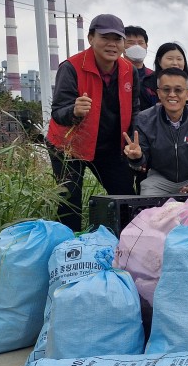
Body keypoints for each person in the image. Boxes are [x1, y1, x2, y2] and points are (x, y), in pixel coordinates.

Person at [47, 13, 141, 231]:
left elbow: (135, 110)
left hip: (109, 146)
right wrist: (74, 111)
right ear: (91, 38)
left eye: (117, 39)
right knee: (69, 204)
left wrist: (134, 140)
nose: (112, 44)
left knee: (126, 198)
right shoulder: (71, 67)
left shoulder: (129, 71)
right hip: (69, 148)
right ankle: (69, 252)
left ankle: (126, 249)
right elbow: (58, 112)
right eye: (104, 37)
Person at [123, 67, 188, 196]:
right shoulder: (144, 119)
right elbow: (141, 161)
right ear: (158, 93)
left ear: (187, 94)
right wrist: (136, 158)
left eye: (178, 90)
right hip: (160, 179)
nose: (172, 94)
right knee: (148, 204)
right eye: (166, 89)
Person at [141, 42, 188, 109]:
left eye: (179, 59)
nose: (175, 63)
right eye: (170, 59)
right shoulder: (146, 86)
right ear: (159, 61)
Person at [124, 25, 155, 108]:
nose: (137, 46)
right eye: (131, 43)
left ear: (146, 46)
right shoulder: (114, 73)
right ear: (121, 45)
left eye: (141, 43)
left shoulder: (154, 76)